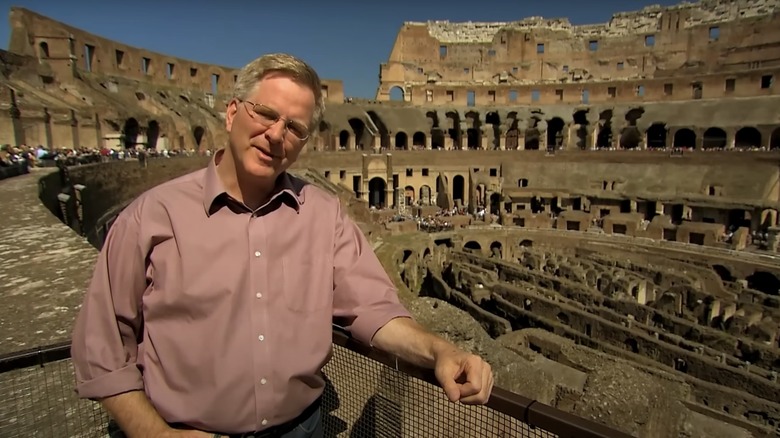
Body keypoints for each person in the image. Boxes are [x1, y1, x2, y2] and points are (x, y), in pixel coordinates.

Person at [70, 53, 494, 438]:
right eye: (265, 114)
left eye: (294, 127)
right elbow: (103, 346)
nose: (276, 135)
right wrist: (154, 435)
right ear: (233, 112)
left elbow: (373, 310)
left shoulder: (324, 216)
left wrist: (442, 350)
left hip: (301, 429)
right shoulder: (151, 217)